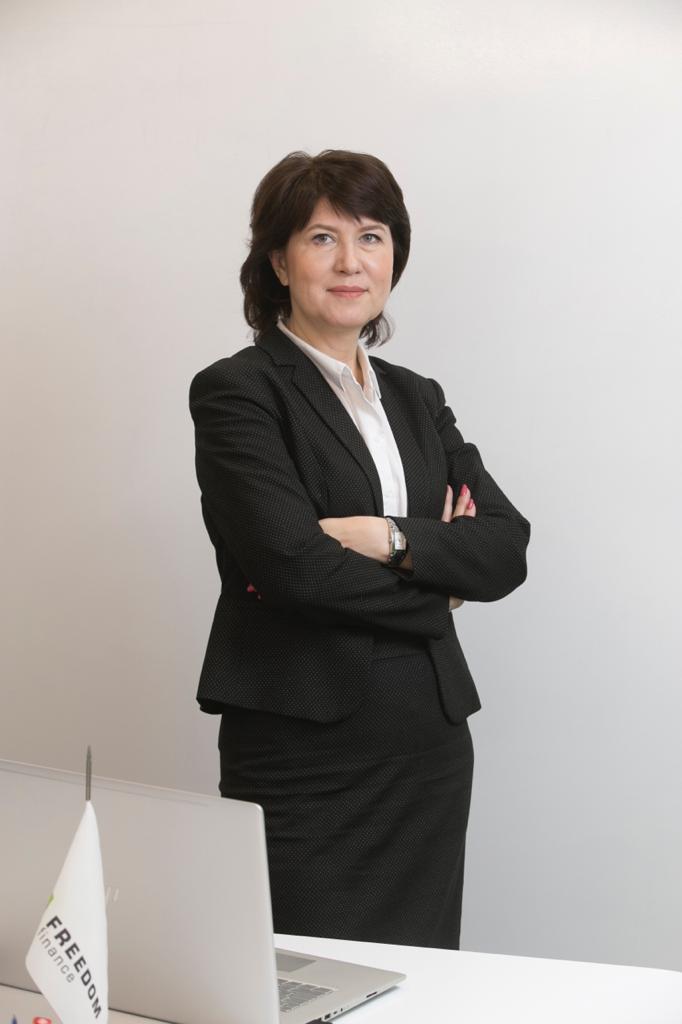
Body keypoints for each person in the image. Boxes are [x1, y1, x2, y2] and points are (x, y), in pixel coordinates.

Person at [189, 149, 530, 950]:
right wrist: (441, 583)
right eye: (322, 238)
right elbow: (293, 568)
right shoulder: (240, 392)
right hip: (304, 747)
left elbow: (504, 546)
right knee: (303, 975)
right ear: (279, 262)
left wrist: (390, 538)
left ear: (393, 257)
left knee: (423, 977)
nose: (351, 262)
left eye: (371, 237)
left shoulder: (417, 397)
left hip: (426, 744)